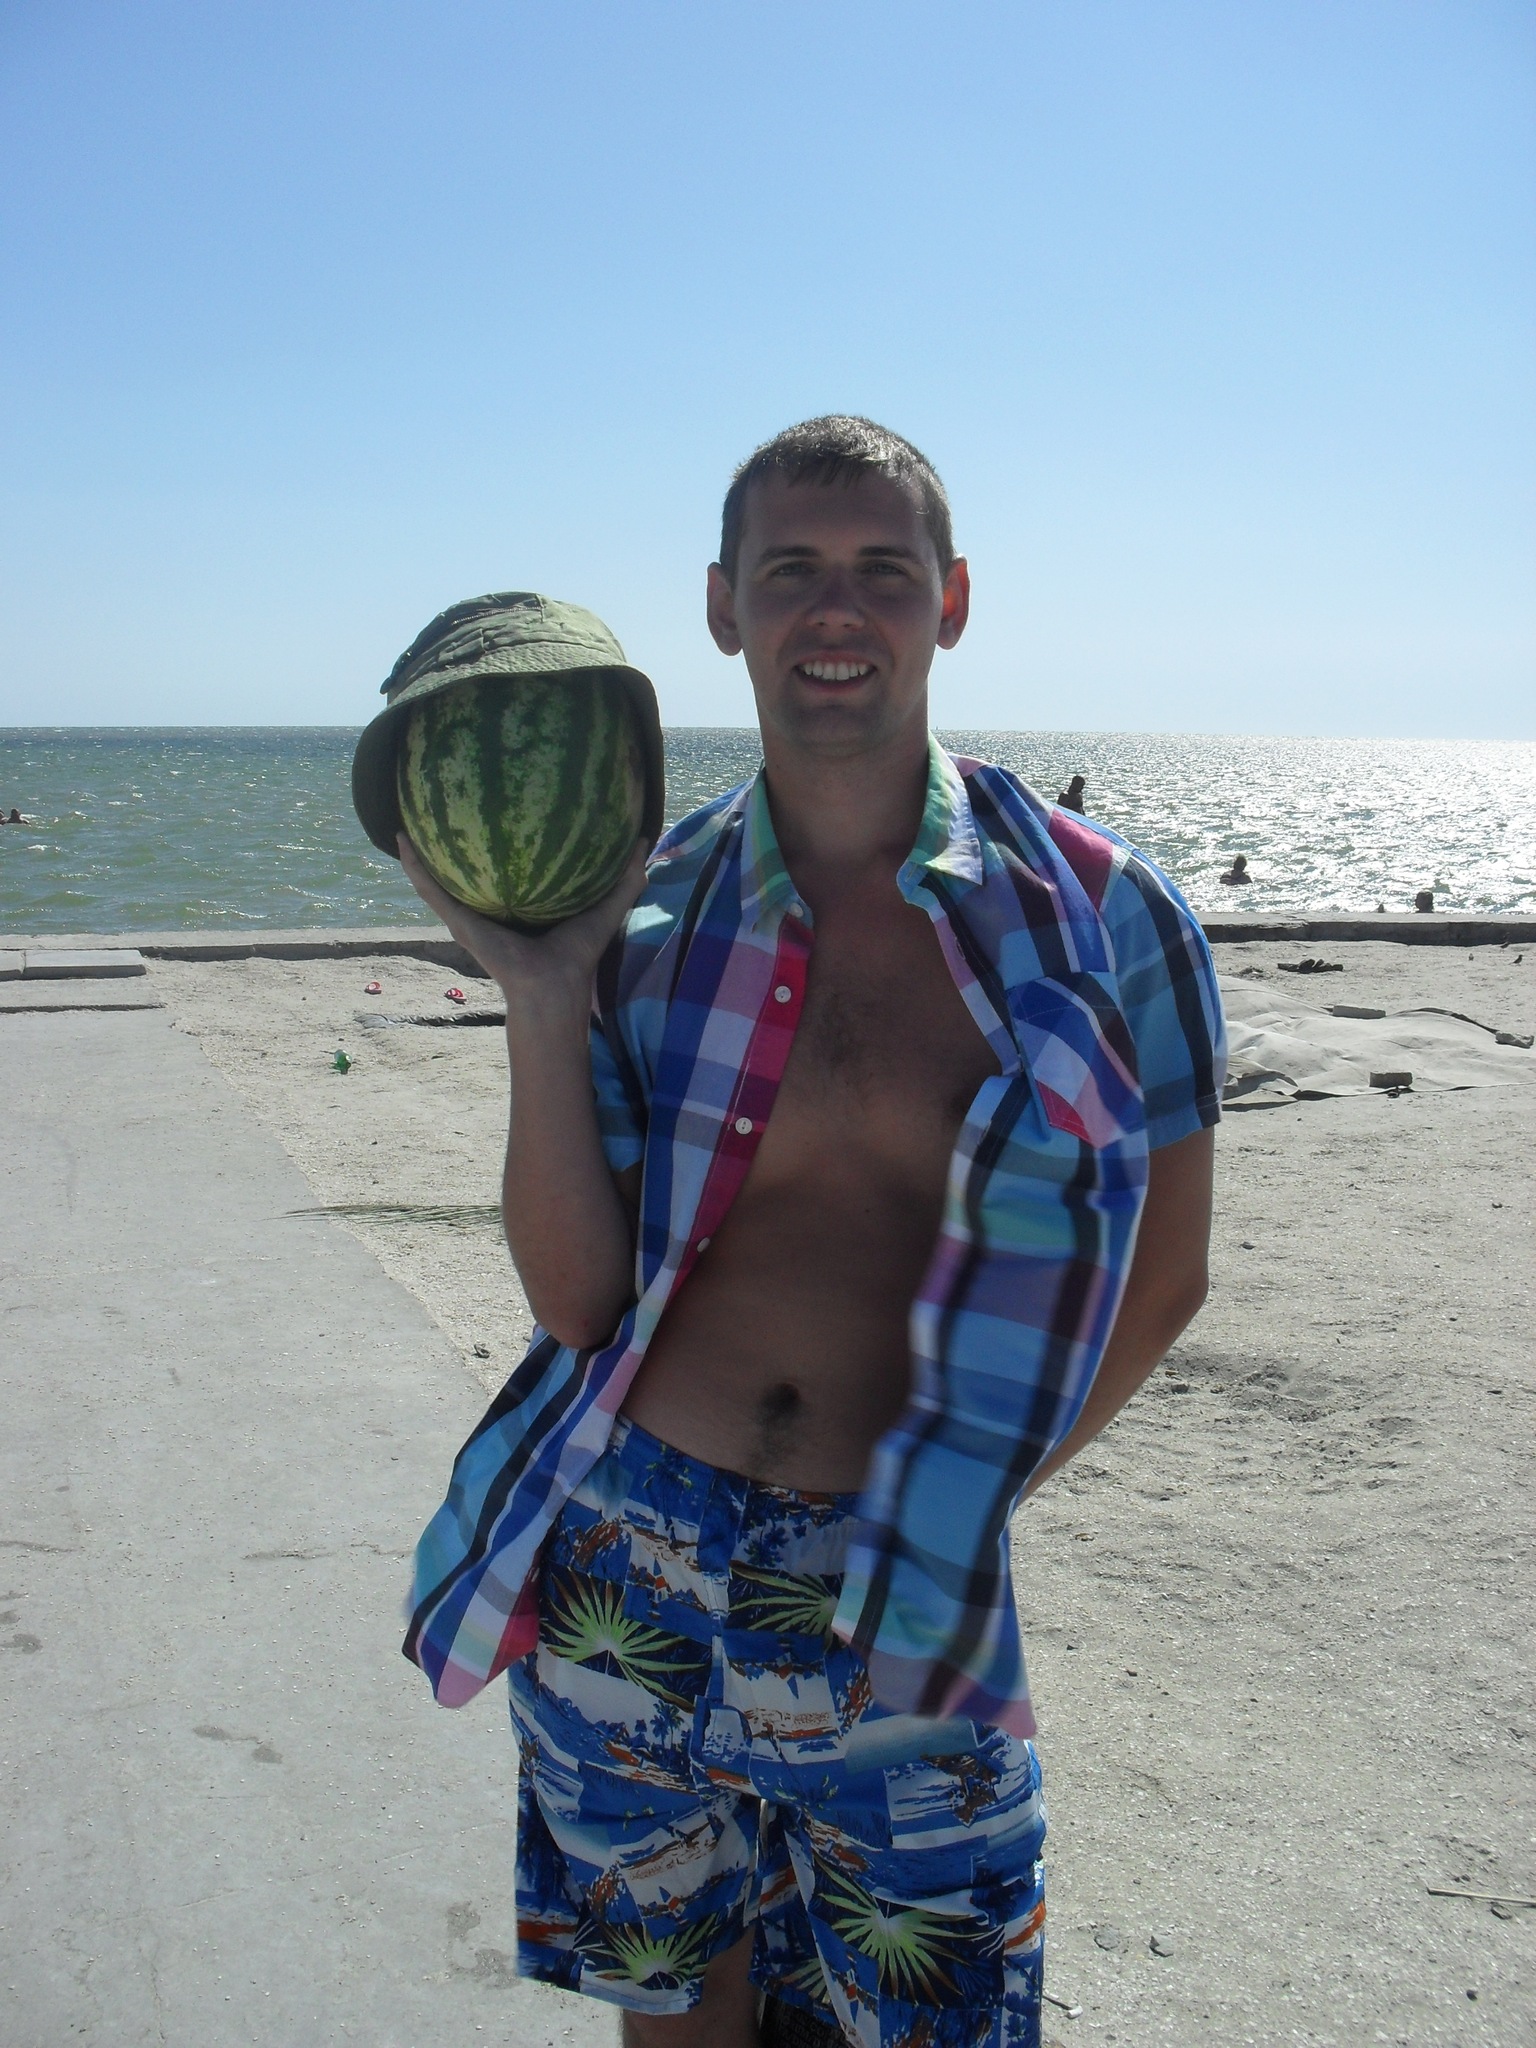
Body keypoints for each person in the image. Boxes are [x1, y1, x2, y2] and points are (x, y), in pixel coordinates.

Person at [399, 417, 1225, 2048]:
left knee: (937, 2017)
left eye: (881, 571)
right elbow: (578, 1300)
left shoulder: (1106, 914)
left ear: (951, 600)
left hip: (900, 1585)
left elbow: (1169, 1274)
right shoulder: (644, 909)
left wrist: (962, 1506)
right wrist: (540, 991)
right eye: (790, 570)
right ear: (724, 606)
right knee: (674, 2016)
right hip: (625, 1559)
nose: (835, 609)